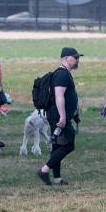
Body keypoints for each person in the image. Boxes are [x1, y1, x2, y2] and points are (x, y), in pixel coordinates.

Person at [38, 47, 82, 186]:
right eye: (75, 58)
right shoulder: (62, 74)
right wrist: (62, 117)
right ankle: (44, 170)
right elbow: (59, 95)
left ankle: (57, 178)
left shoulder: (63, 73)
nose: (77, 60)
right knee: (69, 145)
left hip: (57, 115)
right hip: (59, 116)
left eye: (78, 58)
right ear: (65, 58)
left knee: (57, 146)